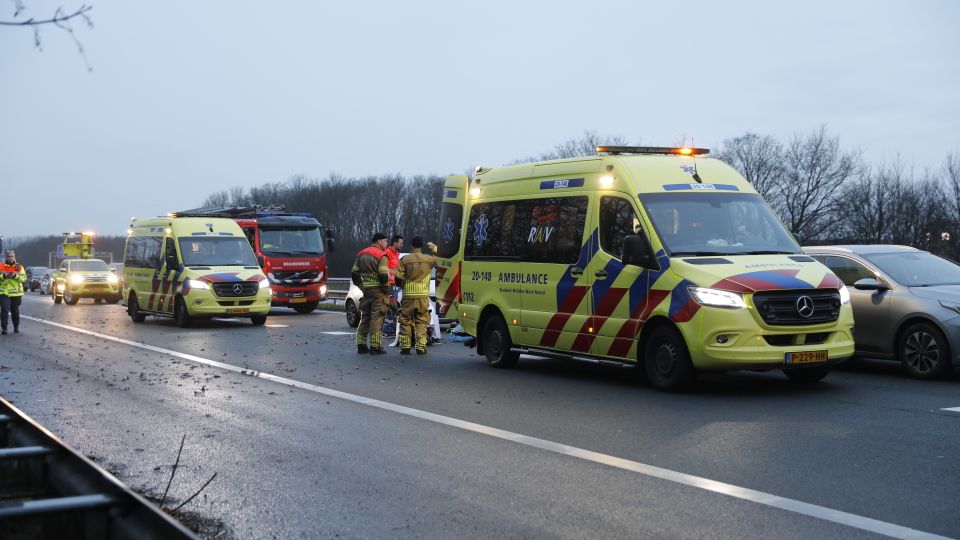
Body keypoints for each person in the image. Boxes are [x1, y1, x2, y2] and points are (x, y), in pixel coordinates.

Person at [395, 236, 437, 355]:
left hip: (408, 295)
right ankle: (421, 347)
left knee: (406, 321)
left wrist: (401, 285)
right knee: (422, 321)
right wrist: (434, 248)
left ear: (412, 246)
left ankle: (405, 347)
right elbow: (442, 258)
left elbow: (398, 277)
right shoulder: (429, 259)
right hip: (423, 296)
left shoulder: (405, 259)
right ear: (421, 246)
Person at [351, 233, 390, 354]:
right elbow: (383, 275)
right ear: (379, 241)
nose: (386, 244)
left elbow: (354, 273)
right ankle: (375, 346)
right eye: (385, 241)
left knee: (365, 318)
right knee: (377, 318)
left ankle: (361, 345)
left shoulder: (361, 254)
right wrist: (386, 289)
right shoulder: (382, 255)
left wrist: (362, 286)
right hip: (378, 292)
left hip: (366, 291)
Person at [381, 234, 404, 338]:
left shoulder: (396, 254)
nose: (402, 245)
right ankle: (387, 330)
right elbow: (384, 269)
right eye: (401, 243)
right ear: (395, 243)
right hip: (389, 286)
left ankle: (391, 329)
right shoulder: (387, 254)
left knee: (395, 308)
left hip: (396, 285)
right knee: (390, 308)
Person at [0, 250, 27, 335]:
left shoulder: (19, 267)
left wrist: (15, 276)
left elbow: (24, 278)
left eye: (12, 256)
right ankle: (4, 328)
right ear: (6, 257)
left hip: (16, 293)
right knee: (4, 310)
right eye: (9, 256)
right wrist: (4, 276)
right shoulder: (1, 266)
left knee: (15, 311)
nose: (10, 258)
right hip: (4, 292)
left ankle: (16, 327)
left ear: (14, 257)